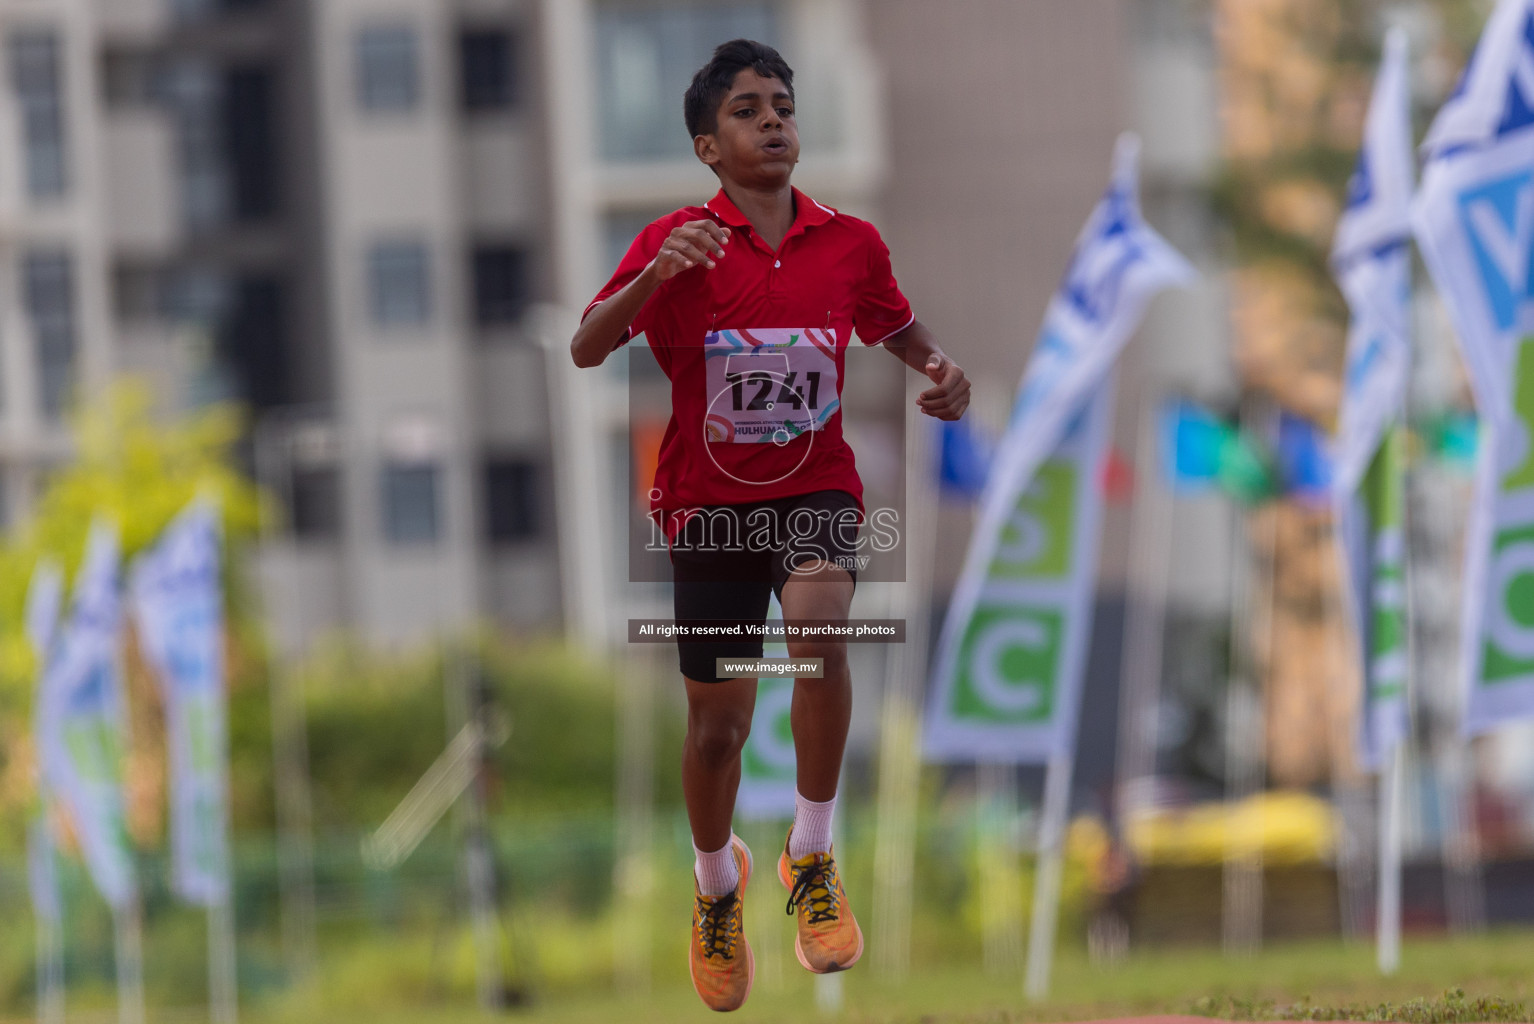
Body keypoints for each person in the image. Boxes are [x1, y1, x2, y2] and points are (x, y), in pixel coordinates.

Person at [571, 38, 970, 1012]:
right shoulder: (678, 244)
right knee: (717, 728)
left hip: (816, 487)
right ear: (708, 146)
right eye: (747, 110)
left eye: (782, 104)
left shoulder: (849, 241)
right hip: (707, 508)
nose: (773, 120)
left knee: (822, 623)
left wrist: (936, 366)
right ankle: (716, 888)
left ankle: (811, 849)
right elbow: (587, 346)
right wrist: (650, 275)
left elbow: (890, 319)